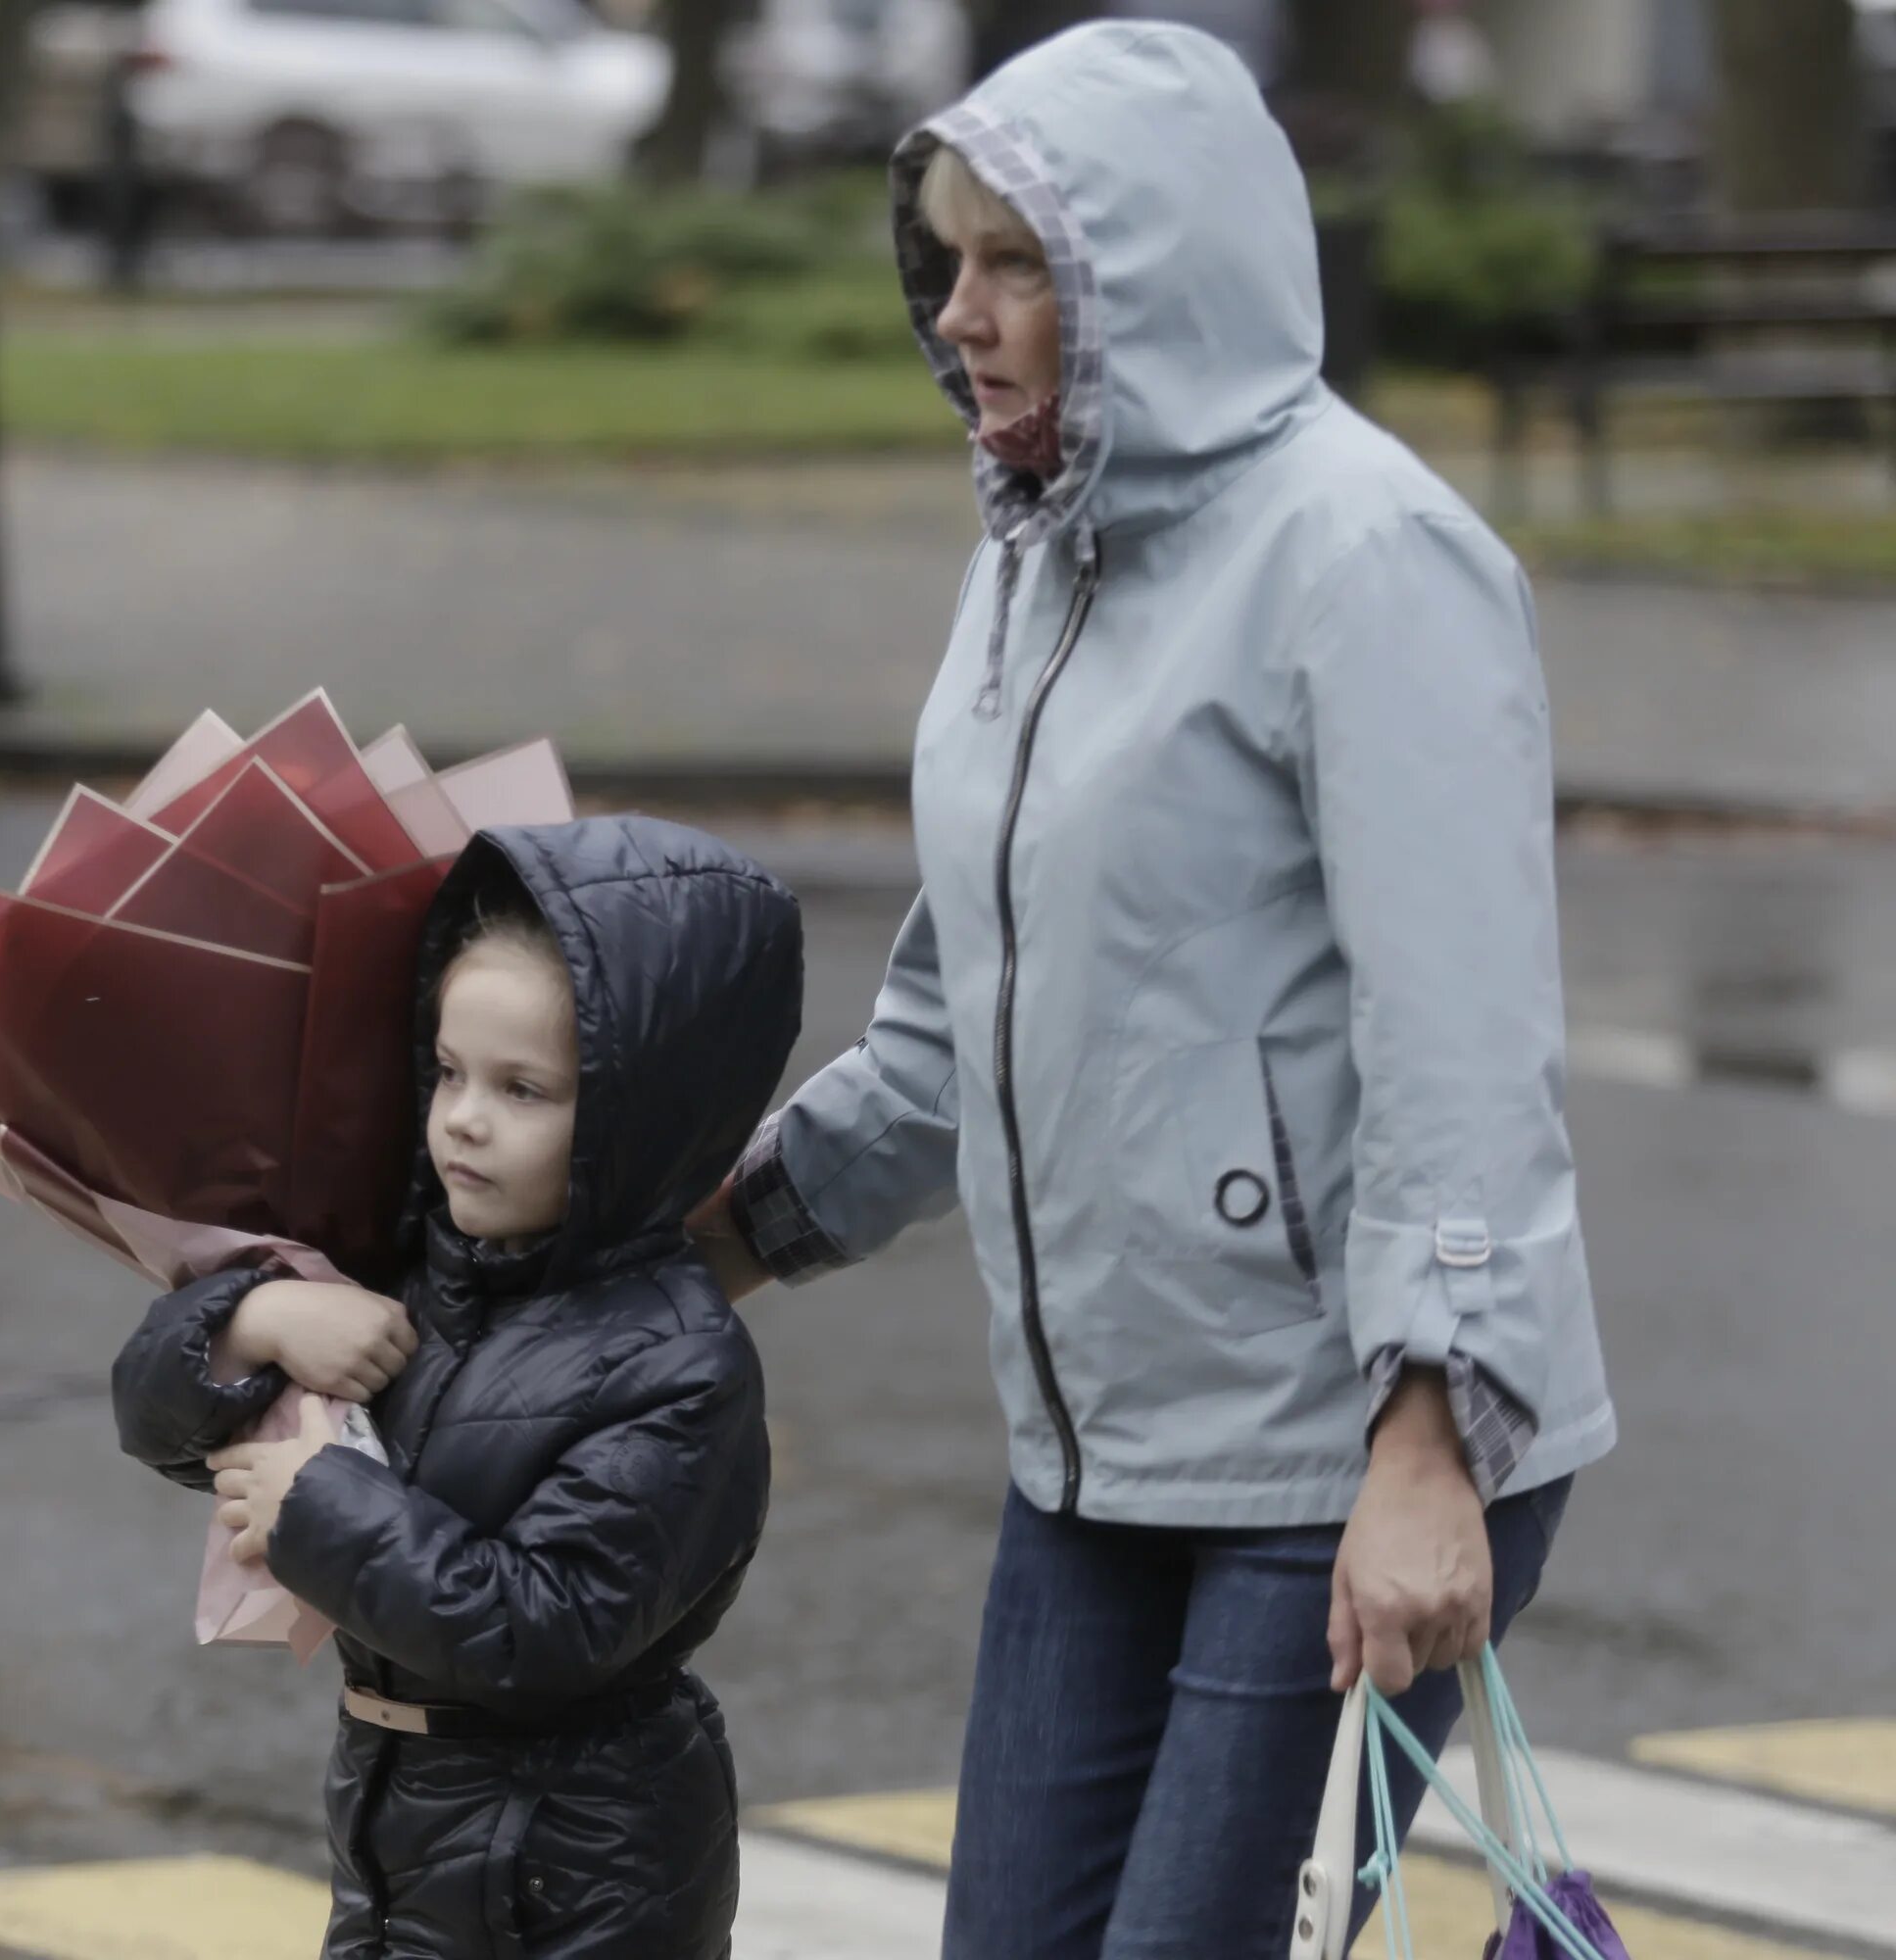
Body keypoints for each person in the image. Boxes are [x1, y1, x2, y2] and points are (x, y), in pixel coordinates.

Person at [687, 24, 1617, 1958]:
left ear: (1152, 275)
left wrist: (1433, 1453)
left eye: (1017, 264)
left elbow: (1465, 1053)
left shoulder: (1369, 559)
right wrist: (688, 1249)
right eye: (945, 265)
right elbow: (956, 1043)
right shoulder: (1035, 563)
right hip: (1102, 1453)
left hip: (1347, 1448)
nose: (964, 317)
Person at [113, 814, 803, 1960]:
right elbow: (160, 1425)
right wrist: (253, 1318)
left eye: (524, 1089)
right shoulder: (414, 1265)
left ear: (640, 1119)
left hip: (580, 1867)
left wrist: (319, 1505)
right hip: (411, 1828)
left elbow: (549, 1623)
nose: (464, 1118)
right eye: (447, 1071)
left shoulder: (678, 1362)